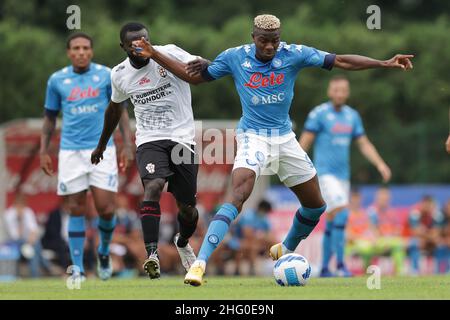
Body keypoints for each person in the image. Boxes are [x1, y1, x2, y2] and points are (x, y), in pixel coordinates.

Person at [133, 14, 414, 286]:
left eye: (274, 41)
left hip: (284, 138)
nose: (269, 47)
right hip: (254, 137)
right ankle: (199, 263)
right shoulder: (234, 57)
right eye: (264, 41)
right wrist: (154, 53)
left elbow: (340, 60)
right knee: (239, 194)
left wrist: (384, 63)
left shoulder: (294, 54)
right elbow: (194, 76)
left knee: (316, 206)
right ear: (253, 37)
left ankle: (285, 247)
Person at [91, 22, 210, 279]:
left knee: (187, 208)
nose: (140, 45)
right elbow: (114, 109)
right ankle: (152, 254)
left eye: (144, 40)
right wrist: (102, 144)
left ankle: (182, 242)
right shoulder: (119, 74)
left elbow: (204, 69)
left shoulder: (170, 53)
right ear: (123, 46)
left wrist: (221, 64)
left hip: (182, 139)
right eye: (134, 43)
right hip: (149, 140)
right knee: (153, 186)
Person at [40, 32, 134, 280]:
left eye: (85, 48)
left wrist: (126, 143)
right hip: (70, 151)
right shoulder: (57, 80)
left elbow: (121, 111)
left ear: (91, 51)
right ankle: (78, 269)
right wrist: (43, 150)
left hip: (102, 149)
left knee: (105, 209)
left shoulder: (106, 75)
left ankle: (103, 250)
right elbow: (49, 118)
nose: (80, 52)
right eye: (75, 48)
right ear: (69, 52)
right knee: (75, 208)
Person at [300, 75, 391, 277]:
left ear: (347, 93)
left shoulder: (352, 116)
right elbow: (305, 141)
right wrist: (294, 167)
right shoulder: (319, 114)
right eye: (336, 90)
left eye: (343, 90)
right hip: (324, 174)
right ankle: (341, 266)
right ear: (329, 92)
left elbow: (363, 143)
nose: (340, 94)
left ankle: (324, 268)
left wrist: (380, 163)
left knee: (332, 219)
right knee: (342, 212)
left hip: (343, 176)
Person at [4, 193, 50, 277]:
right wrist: (20, 220)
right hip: (13, 243)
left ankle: (36, 273)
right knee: (36, 247)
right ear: (15, 205)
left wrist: (30, 241)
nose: (21, 209)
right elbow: (16, 236)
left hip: (29, 241)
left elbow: (34, 230)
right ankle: (45, 266)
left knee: (35, 245)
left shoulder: (28, 211)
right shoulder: (9, 214)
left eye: (22, 206)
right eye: (19, 206)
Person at [232, 200, 275, 275]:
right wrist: (261, 237)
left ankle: (277, 267)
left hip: (255, 241)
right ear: (262, 209)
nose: (266, 214)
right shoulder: (248, 215)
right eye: (266, 211)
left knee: (274, 243)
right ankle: (244, 270)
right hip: (238, 239)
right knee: (253, 246)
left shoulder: (264, 217)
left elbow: (270, 234)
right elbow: (247, 234)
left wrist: (263, 238)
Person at [408, 195, 445, 274]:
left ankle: (441, 271)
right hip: (417, 240)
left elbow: (436, 233)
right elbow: (415, 232)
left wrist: (426, 236)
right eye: (425, 205)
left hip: (429, 240)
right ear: (421, 204)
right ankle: (415, 271)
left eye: (429, 205)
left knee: (440, 244)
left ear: (432, 205)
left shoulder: (437, 215)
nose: (427, 207)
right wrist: (429, 235)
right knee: (415, 243)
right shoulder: (415, 213)